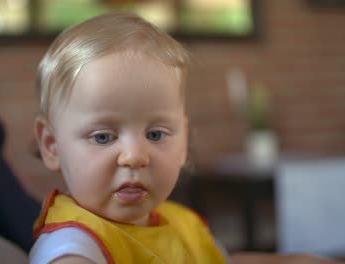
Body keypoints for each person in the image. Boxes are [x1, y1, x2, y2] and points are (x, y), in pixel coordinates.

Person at [29, 12, 229, 264]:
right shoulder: (75, 247)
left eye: (155, 134)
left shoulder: (186, 226)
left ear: (183, 143)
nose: (134, 156)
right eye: (102, 137)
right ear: (52, 145)